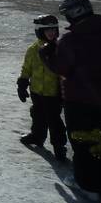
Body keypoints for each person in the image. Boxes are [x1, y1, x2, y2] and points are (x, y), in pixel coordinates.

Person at [40, 0, 101, 203]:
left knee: (81, 142)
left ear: (74, 12)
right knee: (99, 137)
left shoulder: (72, 39)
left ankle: (88, 186)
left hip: (79, 98)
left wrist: (46, 55)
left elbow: (61, 68)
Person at [17, 15, 68, 162]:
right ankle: (37, 136)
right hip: (36, 91)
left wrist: (64, 91)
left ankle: (59, 145)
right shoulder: (33, 49)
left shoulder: (59, 48)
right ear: (40, 32)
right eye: (47, 30)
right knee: (37, 115)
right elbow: (27, 68)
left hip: (53, 93)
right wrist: (22, 83)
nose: (51, 33)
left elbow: (65, 70)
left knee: (54, 120)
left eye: (53, 30)